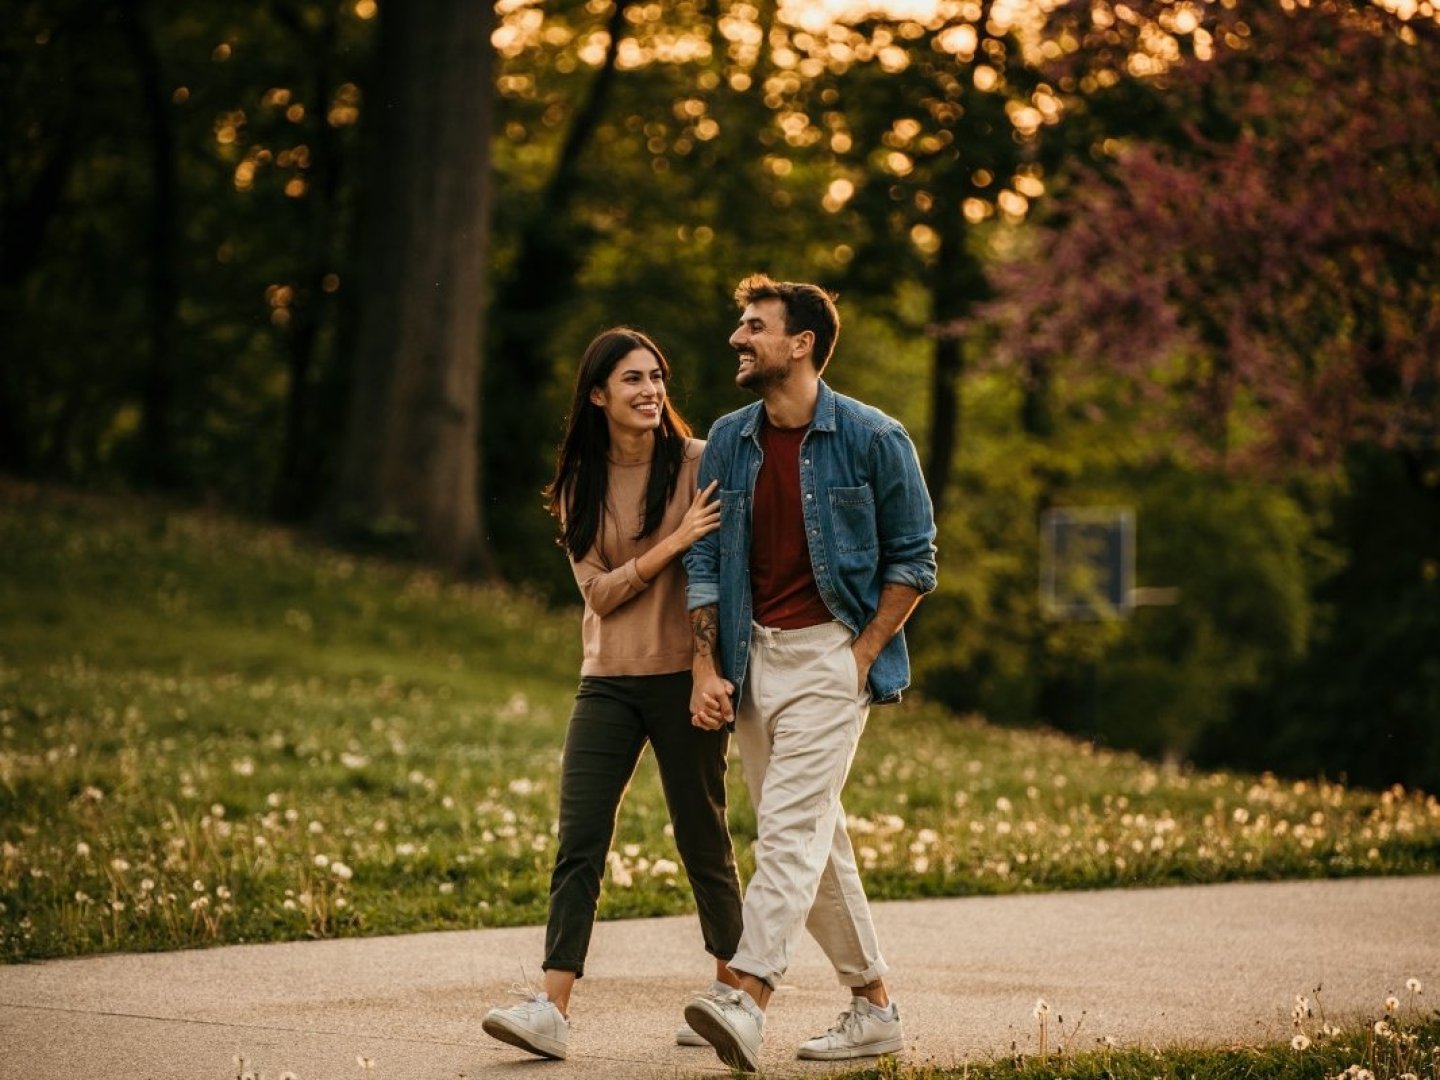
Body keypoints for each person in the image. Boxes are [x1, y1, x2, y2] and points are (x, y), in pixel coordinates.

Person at [680, 275, 938, 1072]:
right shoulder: (729, 439)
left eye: (754, 326)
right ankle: (875, 1008)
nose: (737, 338)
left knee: (788, 831)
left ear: (801, 344)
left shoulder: (874, 437)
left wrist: (857, 659)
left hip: (833, 655)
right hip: (754, 658)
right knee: (817, 843)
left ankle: (746, 996)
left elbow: (915, 560)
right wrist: (706, 662)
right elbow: (703, 556)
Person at [481, 327, 744, 1060]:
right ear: (598, 394)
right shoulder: (578, 484)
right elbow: (599, 594)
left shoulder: (697, 464)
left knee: (703, 835)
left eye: (656, 376)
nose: (651, 390)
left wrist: (705, 665)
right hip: (606, 683)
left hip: (683, 676)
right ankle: (551, 1009)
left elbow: (714, 572)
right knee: (580, 840)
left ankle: (728, 996)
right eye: (632, 379)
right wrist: (672, 540)